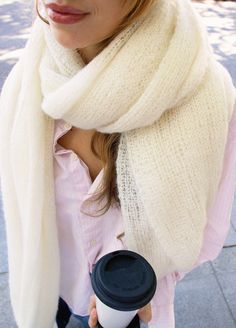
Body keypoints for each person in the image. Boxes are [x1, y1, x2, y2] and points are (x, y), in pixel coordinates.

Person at [0, 0, 235, 327]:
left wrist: (140, 284)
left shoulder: (204, 93)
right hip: (51, 292)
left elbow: (205, 234)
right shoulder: (31, 75)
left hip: (130, 312)